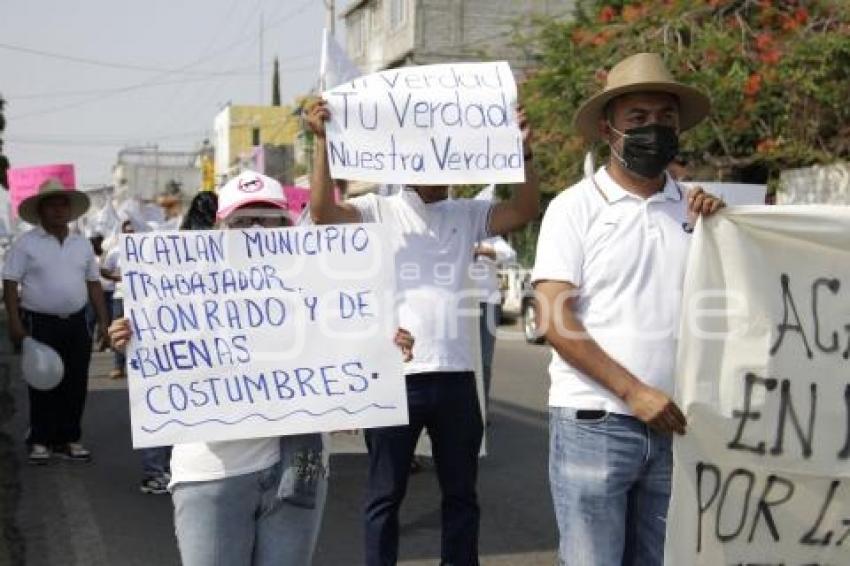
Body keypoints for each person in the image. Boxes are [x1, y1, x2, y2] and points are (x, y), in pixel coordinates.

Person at [108, 170, 415, 565]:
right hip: (213, 474)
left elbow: (351, 354)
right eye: (242, 221)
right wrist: (137, 338)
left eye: (268, 219)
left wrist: (383, 347)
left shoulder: (321, 284)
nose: (255, 230)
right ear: (220, 227)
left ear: (289, 226)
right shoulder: (181, 288)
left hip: (298, 469)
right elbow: (167, 371)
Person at [305, 97, 540, 566]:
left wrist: (525, 153)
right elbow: (322, 215)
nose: (440, 169)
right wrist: (321, 144)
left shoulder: (467, 213)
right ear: (407, 163)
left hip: (455, 377)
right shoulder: (378, 208)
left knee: (461, 495)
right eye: (429, 158)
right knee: (384, 496)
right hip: (395, 377)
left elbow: (525, 209)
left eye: (448, 159)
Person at [531, 52, 724, 566]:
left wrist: (725, 228)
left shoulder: (699, 211)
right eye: (638, 119)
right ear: (607, 128)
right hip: (596, 425)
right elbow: (552, 317)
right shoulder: (574, 208)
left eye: (665, 118)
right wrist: (634, 392)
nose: (653, 130)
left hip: (677, 427)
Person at [3, 179, 109, 464]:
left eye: (63, 204)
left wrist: (104, 321)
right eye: (52, 204)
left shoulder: (82, 245)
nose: (58, 210)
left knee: (76, 382)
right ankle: (40, 439)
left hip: (77, 323)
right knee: (42, 381)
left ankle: (70, 439)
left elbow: (94, 284)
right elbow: (10, 283)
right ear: (41, 210)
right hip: (39, 323)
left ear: (70, 209)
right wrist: (15, 323)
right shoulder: (26, 244)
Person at [471, 235, 515, 413]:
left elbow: (511, 256)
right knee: (455, 360)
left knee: (484, 359)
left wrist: (482, 250)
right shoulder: (455, 228)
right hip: (458, 304)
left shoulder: (491, 238)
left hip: (488, 302)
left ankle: (481, 409)